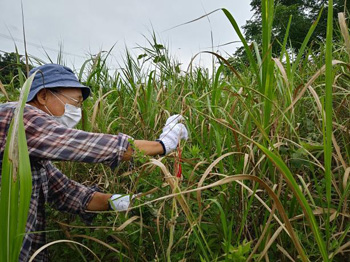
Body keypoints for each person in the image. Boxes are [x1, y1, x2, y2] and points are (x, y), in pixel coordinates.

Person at [0, 64, 188, 261]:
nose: (77, 111)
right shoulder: (15, 117)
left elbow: (69, 194)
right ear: (43, 96)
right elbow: (85, 145)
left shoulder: (32, 157)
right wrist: (163, 144)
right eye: (75, 102)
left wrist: (134, 202)